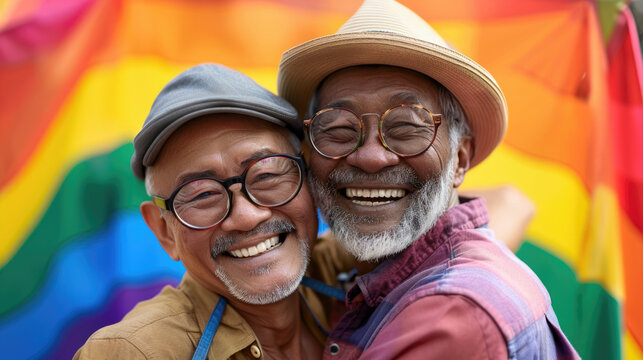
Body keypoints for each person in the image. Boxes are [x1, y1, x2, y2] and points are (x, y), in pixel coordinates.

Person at [277, 0, 580, 358]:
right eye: (339, 129)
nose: (371, 157)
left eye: (406, 127)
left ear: (460, 160)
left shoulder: (451, 317)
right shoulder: (376, 279)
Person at [74, 64, 328, 359]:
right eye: (203, 195)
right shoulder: (134, 352)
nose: (247, 216)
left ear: (311, 179)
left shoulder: (351, 273)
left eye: (266, 175)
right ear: (164, 231)